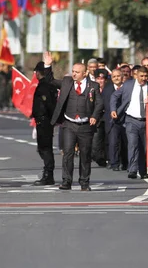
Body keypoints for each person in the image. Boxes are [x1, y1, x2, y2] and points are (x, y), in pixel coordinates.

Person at [44, 53, 104, 191]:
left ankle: (84, 182)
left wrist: (95, 115)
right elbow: (50, 80)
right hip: (69, 124)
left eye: (77, 72)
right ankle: (66, 181)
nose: (74, 74)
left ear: (85, 73)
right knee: (68, 153)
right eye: (73, 71)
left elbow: (100, 103)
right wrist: (48, 65)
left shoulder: (93, 85)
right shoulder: (67, 82)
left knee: (85, 154)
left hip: (85, 125)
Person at [110, 66, 148, 179]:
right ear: (136, 75)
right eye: (141, 76)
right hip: (131, 120)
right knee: (133, 145)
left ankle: (143, 170)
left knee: (145, 147)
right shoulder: (128, 85)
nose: (144, 78)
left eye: (146, 76)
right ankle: (132, 169)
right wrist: (113, 109)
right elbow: (115, 96)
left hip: (146, 122)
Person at [31, 62, 58, 186]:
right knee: (44, 148)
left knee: (45, 148)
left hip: (44, 120)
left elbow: (44, 105)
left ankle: (48, 175)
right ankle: (48, 173)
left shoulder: (44, 86)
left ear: (38, 72)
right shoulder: (50, 85)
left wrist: (38, 115)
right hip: (46, 120)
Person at [102, 69, 127, 171]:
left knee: (126, 142)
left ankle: (125, 163)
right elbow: (103, 104)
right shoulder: (107, 89)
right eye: (114, 76)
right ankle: (114, 163)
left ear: (122, 77)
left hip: (126, 119)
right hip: (112, 120)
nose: (116, 78)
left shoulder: (127, 88)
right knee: (113, 142)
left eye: (118, 76)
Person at [91, 69, 109, 167]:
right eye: (98, 78)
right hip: (96, 120)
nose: (100, 81)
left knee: (108, 142)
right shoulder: (91, 89)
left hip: (108, 119)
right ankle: (100, 159)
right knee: (95, 145)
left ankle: (108, 159)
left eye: (102, 79)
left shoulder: (109, 89)